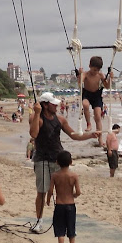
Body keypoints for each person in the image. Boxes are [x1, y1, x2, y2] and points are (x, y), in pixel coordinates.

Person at [29, 92, 98, 232]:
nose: (57, 106)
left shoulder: (60, 119)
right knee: (42, 192)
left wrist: (91, 135)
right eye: (54, 104)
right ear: (45, 105)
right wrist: (37, 113)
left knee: (62, 190)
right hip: (42, 158)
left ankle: (61, 219)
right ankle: (39, 221)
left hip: (58, 159)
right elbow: (34, 134)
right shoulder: (37, 118)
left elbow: (74, 136)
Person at [47, 150, 79, 243]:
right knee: (71, 228)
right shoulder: (74, 176)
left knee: (60, 229)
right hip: (71, 204)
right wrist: (73, 195)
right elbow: (78, 192)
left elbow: (50, 190)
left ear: (57, 162)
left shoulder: (55, 175)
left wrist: (47, 200)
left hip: (59, 204)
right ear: (71, 162)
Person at [78, 56, 113, 133]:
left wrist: (110, 78)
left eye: (98, 70)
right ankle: (89, 124)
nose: (95, 72)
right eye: (94, 70)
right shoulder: (85, 74)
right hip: (87, 94)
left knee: (97, 116)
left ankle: (100, 139)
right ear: (89, 66)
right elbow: (80, 84)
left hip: (97, 95)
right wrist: (80, 75)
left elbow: (107, 86)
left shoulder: (100, 75)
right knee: (85, 104)